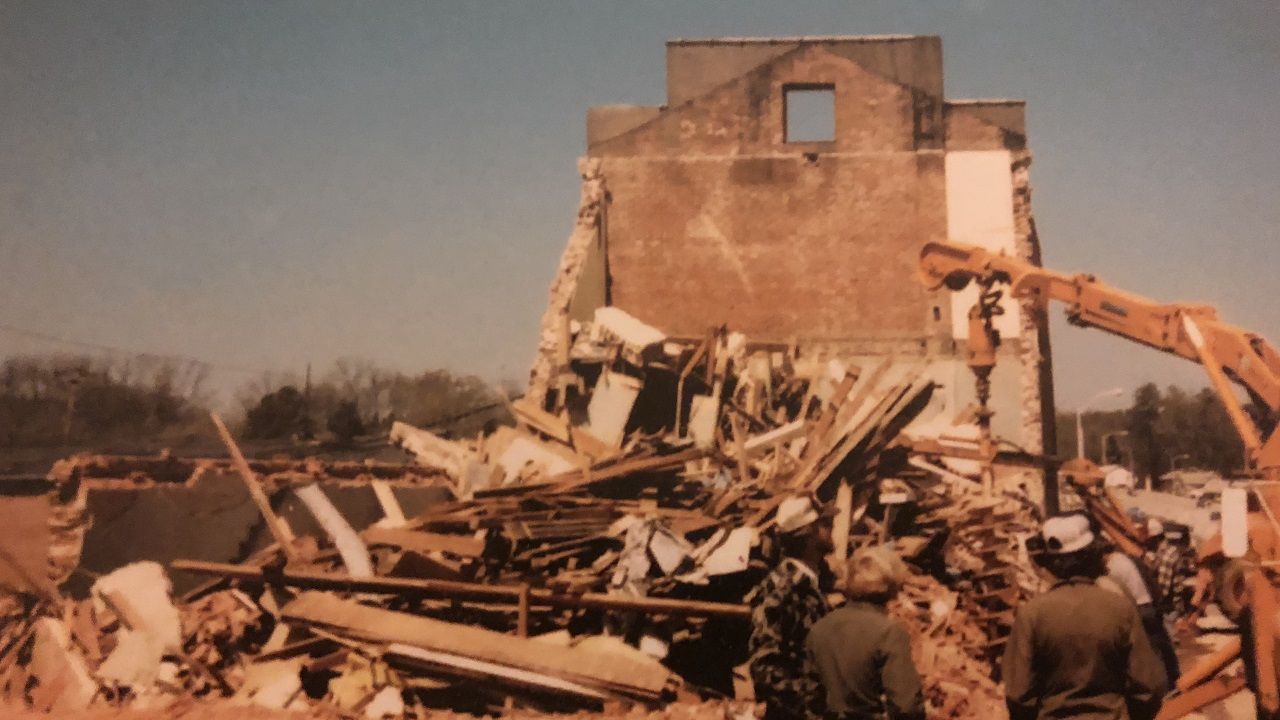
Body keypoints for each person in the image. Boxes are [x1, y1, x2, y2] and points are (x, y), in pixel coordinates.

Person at [1004, 514, 1167, 720]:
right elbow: (1148, 688)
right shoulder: (1119, 609)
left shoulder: (1032, 614)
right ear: (1092, 555)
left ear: (1051, 564)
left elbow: (1018, 694)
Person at [807, 545, 924, 720]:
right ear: (891, 585)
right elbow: (906, 706)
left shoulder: (820, 628)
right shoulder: (889, 632)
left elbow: (809, 694)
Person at [746, 495, 833, 720]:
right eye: (825, 524)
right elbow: (764, 667)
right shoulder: (786, 591)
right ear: (809, 533)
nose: (831, 528)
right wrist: (810, 706)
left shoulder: (809, 585)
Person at [1103, 541, 1181, 686]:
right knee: (1162, 645)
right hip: (1148, 604)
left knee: (1147, 651)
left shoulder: (1112, 566)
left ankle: (1163, 684)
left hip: (1139, 608)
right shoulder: (1123, 558)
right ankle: (1174, 678)